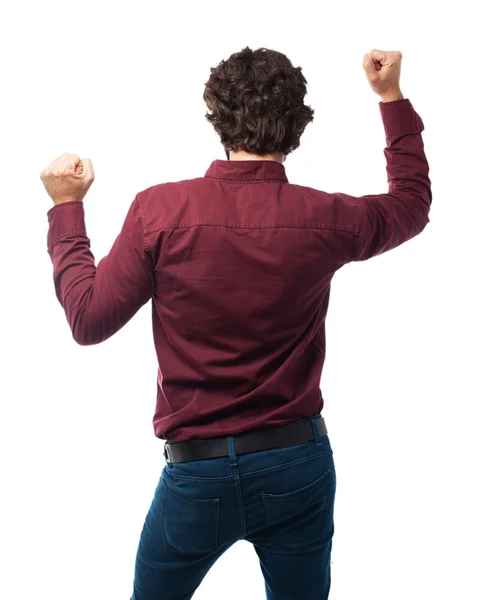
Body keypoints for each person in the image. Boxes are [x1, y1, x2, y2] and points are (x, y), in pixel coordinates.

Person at [40, 47, 432, 600]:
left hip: (197, 476)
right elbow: (411, 205)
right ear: (298, 125)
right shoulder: (328, 217)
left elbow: (87, 318)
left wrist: (66, 210)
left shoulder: (161, 211)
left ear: (213, 111)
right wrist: (390, 98)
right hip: (298, 464)